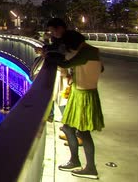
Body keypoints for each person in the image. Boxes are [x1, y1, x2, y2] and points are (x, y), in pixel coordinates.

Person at [57, 30, 104, 179]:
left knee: (83, 132)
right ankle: (75, 160)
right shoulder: (90, 51)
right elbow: (100, 68)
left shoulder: (85, 53)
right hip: (83, 93)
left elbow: (65, 63)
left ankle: (90, 168)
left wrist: (50, 57)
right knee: (68, 127)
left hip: (83, 95)